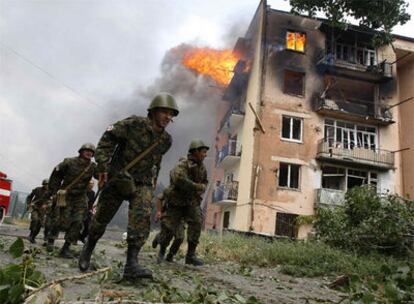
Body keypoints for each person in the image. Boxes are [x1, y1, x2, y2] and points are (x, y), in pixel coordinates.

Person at [78, 92, 179, 281]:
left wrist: (154, 179)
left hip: (141, 183)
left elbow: (156, 160)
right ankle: (88, 248)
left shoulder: (166, 140)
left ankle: (131, 264)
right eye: (165, 112)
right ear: (154, 111)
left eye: (171, 114)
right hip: (118, 178)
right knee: (101, 218)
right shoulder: (133, 124)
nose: (168, 117)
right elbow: (107, 141)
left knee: (141, 218)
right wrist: (103, 168)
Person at [157, 139, 208, 266]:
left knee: (197, 222)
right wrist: (197, 187)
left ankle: (190, 255)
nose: (205, 155)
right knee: (169, 229)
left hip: (191, 202)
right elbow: (179, 179)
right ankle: (162, 251)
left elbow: (205, 182)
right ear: (195, 152)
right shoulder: (182, 165)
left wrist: (202, 187)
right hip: (176, 202)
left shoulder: (202, 167)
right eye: (203, 152)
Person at [46, 143, 97, 258]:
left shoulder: (93, 167)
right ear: (81, 151)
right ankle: (51, 239)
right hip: (66, 195)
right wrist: (54, 191)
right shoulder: (68, 162)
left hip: (80, 197)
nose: (89, 153)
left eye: (92, 152)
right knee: (60, 220)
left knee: (78, 222)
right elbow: (56, 174)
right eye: (87, 150)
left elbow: (101, 175)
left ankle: (66, 247)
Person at [151, 187, 185, 263]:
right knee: (167, 236)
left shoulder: (190, 193)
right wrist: (159, 212)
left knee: (180, 237)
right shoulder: (171, 190)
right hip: (168, 216)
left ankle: (170, 255)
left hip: (180, 218)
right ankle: (161, 251)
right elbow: (159, 198)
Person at [26, 179, 50, 244]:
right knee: (35, 219)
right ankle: (31, 234)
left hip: (43, 210)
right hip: (35, 208)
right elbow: (29, 197)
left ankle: (33, 237)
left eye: (48, 184)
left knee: (40, 224)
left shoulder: (50, 192)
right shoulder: (37, 189)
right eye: (45, 184)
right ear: (43, 184)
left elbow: (51, 201)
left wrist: (47, 205)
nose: (46, 186)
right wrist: (29, 204)